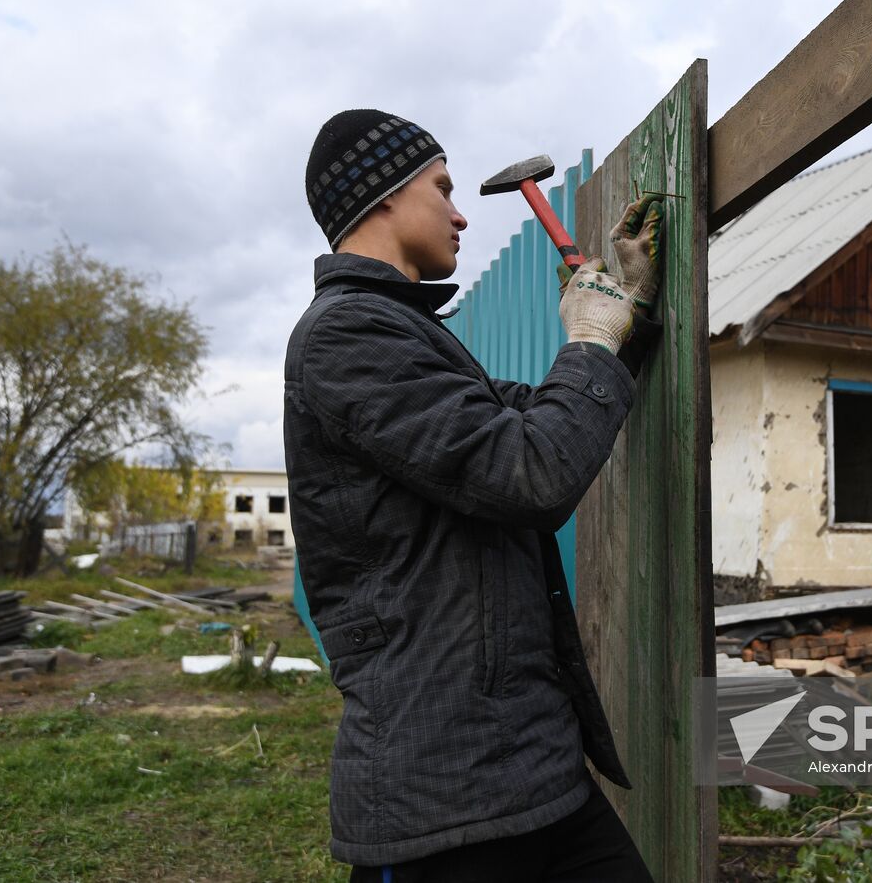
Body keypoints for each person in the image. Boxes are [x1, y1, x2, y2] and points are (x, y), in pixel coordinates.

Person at [284, 108, 663, 882]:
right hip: (440, 796)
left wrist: (624, 318)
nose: (459, 212)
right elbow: (530, 472)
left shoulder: (402, 330)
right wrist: (590, 340)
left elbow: (536, 412)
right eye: (442, 188)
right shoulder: (346, 336)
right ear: (383, 197)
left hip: (527, 766)